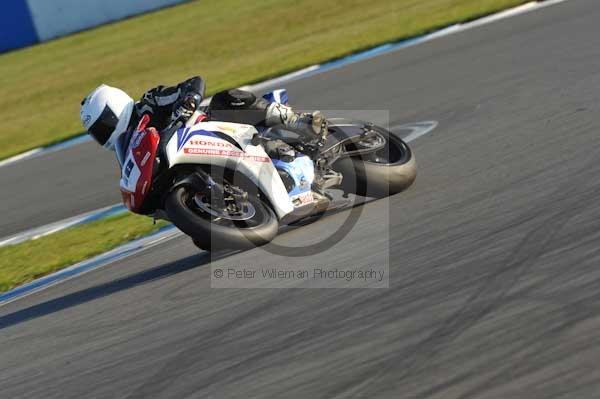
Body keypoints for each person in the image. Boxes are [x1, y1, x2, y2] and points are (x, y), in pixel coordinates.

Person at [79, 76, 327, 160]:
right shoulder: (130, 153)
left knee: (224, 99)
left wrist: (187, 103)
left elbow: (193, 83)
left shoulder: (150, 102)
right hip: (198, 159)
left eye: (102, 126)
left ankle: (299, 122)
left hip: (214, 128)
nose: (102, 134)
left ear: (114, 109)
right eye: (97, 133)